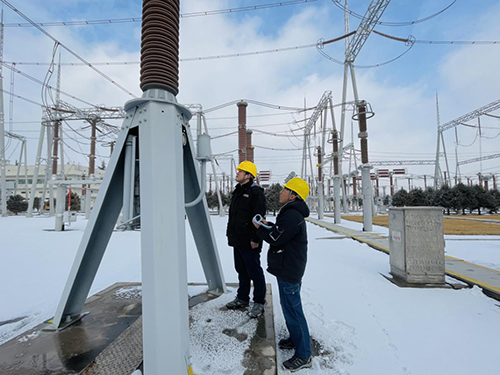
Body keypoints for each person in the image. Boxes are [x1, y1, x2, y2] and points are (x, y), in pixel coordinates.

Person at [253, 177, 312, 372]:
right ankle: (296, 340)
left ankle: (304, 355)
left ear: (293, 195)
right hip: (288, 267)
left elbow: (275, 239)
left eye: (285, 189)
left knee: (294, 310)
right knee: (288, 307)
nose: (280, 192)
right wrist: (268, 224)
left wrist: (260, 228)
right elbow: (279, 232)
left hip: (289, 269)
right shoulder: (291, 214)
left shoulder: (292, 215)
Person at [226, 161, 267, 318]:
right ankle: (242, 298)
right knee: (241, 270)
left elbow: (259, 217)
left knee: (254, 271)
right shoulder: (238, 191)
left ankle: (258, 302)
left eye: (240, 171)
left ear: (248, 175)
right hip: (238, 238)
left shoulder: (256, 193)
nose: (237, 173)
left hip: (250, 240)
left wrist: (255, 238)